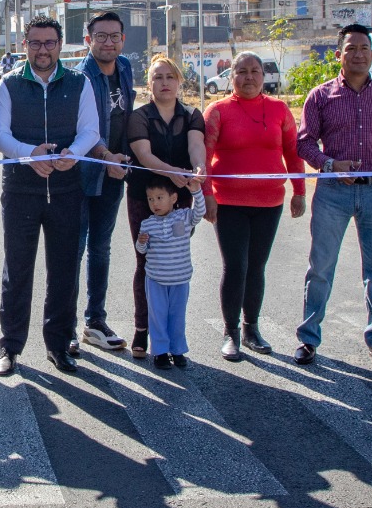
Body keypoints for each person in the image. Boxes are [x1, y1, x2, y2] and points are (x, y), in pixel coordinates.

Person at [294, 25, 372, 369]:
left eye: (364, 48)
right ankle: (308, 338)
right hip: (333, 192)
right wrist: (329, 164)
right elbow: (304, 142)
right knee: (320, 268)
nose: (358, 54)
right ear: (338, 55)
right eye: (351, 48)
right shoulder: (320, 96)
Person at [0, 16, 100, 375]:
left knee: (64, 270)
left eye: (49, 43)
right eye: (35, 43)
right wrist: (28, 154)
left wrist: (73, 154)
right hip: (21, 191)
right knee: (17, 270)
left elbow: (89, 130)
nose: (43, 50)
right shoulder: (8, 84)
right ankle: (10, 347)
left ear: (60, 45)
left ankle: (58, 345)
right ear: (25, 45)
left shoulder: (78, 82)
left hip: (68, 190)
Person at [203, 51, 306, 361]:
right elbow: (204, 159)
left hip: (269, 202)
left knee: (257, 267)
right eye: (242, 72)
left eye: (255, 71)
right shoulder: (217, 111)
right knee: (236, 266)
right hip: (228, 202)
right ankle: (230, 332)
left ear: (264, 76)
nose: (249, 77)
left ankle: (251, 329)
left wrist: (299, 190)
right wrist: (207, 195)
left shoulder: (279, 110)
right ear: (231, 77)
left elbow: (292, 151)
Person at [125, 56, 207, 358]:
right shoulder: (139, 116)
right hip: (144, 198)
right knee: (146, 262)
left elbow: (196, 147)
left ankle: (173, 338)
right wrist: (171, 171)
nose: (164, 83)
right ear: (150, 83)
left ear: (179, 81)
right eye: (158, 77)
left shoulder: (192, 115)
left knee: (174, 262)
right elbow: (144, 156)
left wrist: (198, 168)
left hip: (181, 198)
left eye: (170, 77)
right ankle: (142, 329)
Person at [73, 11, 135, 355]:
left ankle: (95, 321)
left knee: (101, 248)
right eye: (101, 36)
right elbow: (83, 129)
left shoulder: (124, 67)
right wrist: (106, 156)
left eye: (114, 36)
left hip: (115, 175)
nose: (108, 42)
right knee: (74, 249)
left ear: (122, 40)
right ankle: (66, 326)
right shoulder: (81, 76)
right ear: (88, 40)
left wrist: (122, 158)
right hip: (84, 175)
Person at [136, 173, 207, 369]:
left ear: (173, 198)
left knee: (177, 316)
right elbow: (142, 251)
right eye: (151, 199)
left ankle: (177, 351)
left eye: (160, 198)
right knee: (157, 317)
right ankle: (160, 352)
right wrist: (141, 243)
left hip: (180, 279)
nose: (155, 203)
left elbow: (200, 213)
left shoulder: (184, 216)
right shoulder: (147, 223)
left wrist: (196, 191)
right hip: (156, 279)